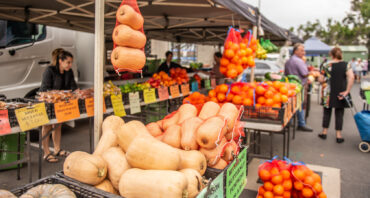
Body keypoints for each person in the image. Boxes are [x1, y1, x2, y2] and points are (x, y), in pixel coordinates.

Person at [39, 49, 77, 163]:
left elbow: (74, 87)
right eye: (68, 62)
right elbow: (45, 89)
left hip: (61, 104)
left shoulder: (69, 72)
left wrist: (78, 93)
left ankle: (57, 149)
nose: (70, 65)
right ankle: (46, 153)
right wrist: (58, 94)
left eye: (71, 63)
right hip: (47, 102)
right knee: (47, 126)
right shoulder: (49, 71)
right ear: (60, 61)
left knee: (58, 124)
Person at [318, 47, 354, 143]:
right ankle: (339, 135)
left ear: (331, 55)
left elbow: (320, 79)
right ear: (340, 54)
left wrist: (324, 81)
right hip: (341, 92)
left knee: (326, 112)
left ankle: (324, 132)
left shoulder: (326, 65)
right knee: (339, 113)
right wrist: (347, 91)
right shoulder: (347, 65)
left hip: (328, 92)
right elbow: (352, 77)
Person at [285, 43, 313, 131]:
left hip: (290, 86)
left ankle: (289, 122)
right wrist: (311, 73)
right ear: (295, 51)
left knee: (292, 104)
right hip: (299, 86)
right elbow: (304, 74)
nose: (303, 52)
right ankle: (301, 123)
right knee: (299, 104)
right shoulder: (298, 61)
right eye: (301, 50)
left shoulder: (289, 60)